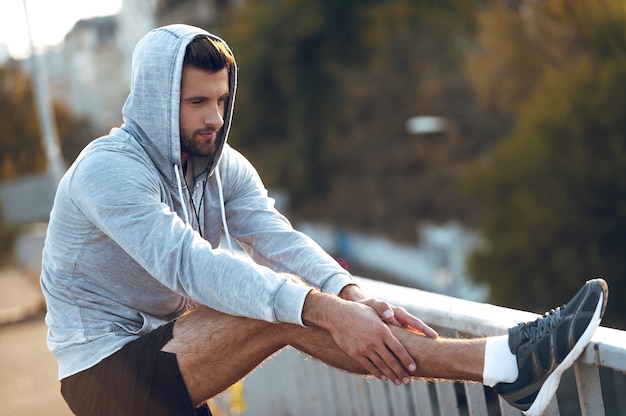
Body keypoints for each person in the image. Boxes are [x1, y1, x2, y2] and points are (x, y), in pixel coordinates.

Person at [40, 24, 608, 416]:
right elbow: (189, 265)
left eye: (221, 99)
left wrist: (349, 293)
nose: (214, 117)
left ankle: (507, 368)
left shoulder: (218, 166)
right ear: (156, 101)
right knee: (284, 311)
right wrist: (324, 309)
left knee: (291, 303)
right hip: (104, 374)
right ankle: (507, 362)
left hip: (165, 350)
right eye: (196, 103)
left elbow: (276, 238)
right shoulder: (108, 172)